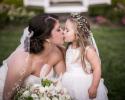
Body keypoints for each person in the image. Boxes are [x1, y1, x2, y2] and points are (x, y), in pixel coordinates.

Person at [0, 13, 65, 100]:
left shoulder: (57, 53)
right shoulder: (23, 62)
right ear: (46, 37)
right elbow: (6, 97)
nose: (63, 32)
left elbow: (64, 83)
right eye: (58, 30)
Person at [61, 13, 108, 100]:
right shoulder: (69, 47)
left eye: (67, 30)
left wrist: (94, 87)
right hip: (68, 82)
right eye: (64, 29)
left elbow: (97, 68)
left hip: (84, 85)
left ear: (78, 34)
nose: (63, 32)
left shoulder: (88, 50)